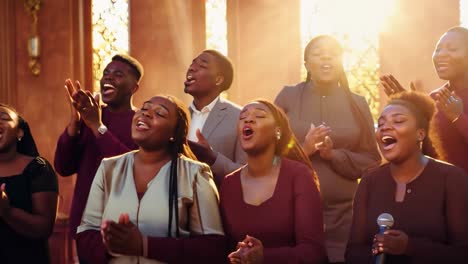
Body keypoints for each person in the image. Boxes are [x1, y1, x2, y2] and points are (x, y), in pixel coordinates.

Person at [76, 95, 225, 264]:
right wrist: (112, 244)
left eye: (160, 113)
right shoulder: (108, 168)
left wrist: (144, 245)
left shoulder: (195, 174)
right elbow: (85, 236)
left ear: (174, 134)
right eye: (144, 108)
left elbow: (214, 249)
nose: (145, 114)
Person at [274, 35, 381, 263]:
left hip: (344, 217)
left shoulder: (357, 102)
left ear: (342, 61)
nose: (326, 56)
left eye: (333, 53)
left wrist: (335, 155)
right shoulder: (288, 96)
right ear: (306, 64)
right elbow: (266, 153)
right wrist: (305, 149)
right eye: (318, 53)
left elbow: (372, 160)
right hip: (293, 213)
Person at [346, 91, 468, 264]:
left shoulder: (452, 179)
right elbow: (352, 252)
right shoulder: (369, 181)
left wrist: (409, 247)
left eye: (398, 121)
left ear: (420, 134)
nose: (385, 127)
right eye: (381, 124)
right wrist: (377, 253)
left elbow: (463, 255)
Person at [220, 99, 326, 264]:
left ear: (277, 131)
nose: (248, 119)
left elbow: (314, 252)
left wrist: (264, 257)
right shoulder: (228, 184)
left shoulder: (299, 176)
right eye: (243, 117)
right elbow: (224, 249)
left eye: (259, 116)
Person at [54, 54, 143, 238]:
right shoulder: (90, 114)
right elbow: (63, 167)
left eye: (118, 74)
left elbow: (130, 170)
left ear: (134, 88)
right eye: (105, 73)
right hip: (85, 224)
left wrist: (97, 126)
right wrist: (75, 123)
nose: (108, 77)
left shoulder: (142, 120)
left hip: (122, 225)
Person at [381, 26, 468, 173]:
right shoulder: (433, 99)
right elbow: (426, 152)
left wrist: (458, 117)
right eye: (438, 49)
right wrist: (410, 109)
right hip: (440, 190)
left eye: (452, 49)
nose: (441, 54)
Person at [0, 104, 58, 263]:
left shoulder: (38, 168)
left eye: (3, 118)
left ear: (20, 132)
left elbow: (44, 228)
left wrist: (7, 211)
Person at [184, 49, 247, 187]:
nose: (192, 68)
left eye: (202, 65)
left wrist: (212, 157)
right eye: (193, 63)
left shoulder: (240, 117)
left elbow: (247, 174)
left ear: (218, 79)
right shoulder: (178, 117)